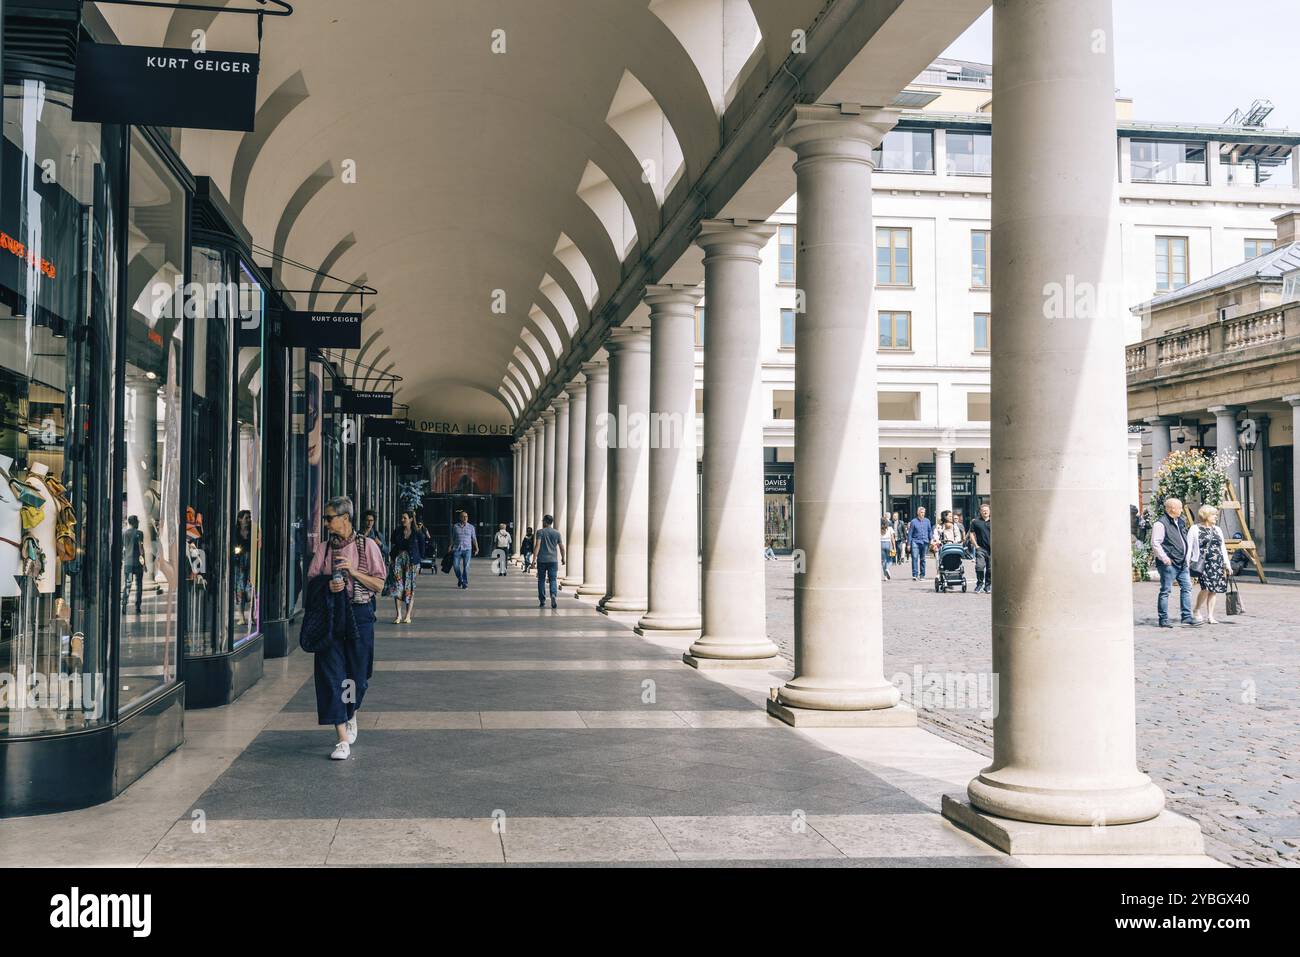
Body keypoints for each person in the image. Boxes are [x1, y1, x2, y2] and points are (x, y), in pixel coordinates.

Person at [308, 496, 386, 760]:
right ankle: (341, 737)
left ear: (345, 518)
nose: (327, 523)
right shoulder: (324, 550)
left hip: (360, 616)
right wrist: (328, 585)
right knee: (332, 676)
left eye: (330, 518)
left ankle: (350, 711)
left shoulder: (369, 546)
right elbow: (310, 584)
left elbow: (379, 585)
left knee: (357, 677)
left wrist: (353, 573)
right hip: (332, 620)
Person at [1151, 497, 1199, 629]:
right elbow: (1156, 543)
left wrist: (1187, 558)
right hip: (1169, 564)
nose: (1181, 510)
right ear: (1171, 508)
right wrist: (1165, 559)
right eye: (1179, 507)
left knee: (1187, 588)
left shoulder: (1180, 521)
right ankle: (1163, 619)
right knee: (1165, 590)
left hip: (1182, 563)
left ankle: (1187, 617)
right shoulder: (1160, 523)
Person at [1189, 504, 1231, 624]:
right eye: (1213, 515)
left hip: (1217, 563)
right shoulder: (1195, 529)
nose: (1215, 517)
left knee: (1214, 590)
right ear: (1206, 515)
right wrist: (1187, 564)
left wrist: (1227, 564)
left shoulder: (1217, 529)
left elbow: (1222, 547)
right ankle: (1196, 609)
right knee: (1206, 588)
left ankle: (1210, 616)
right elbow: (1189, 547)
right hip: (1204, 563)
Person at [385, 510, 423, 623]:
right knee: (397, 587)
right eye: (402, 518)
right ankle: (398, 615)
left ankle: (408, 615)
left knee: (409, 588)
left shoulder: (417, 533)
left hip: (411, 563)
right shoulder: (397, 531)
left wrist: (419, 565)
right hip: (398, 561)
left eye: (404, 518)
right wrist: (392, 560)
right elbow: (393, 544)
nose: (402, 520)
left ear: (411, 519)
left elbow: (421, 550)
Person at [533, 513, 566, 609]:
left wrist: (533, 560)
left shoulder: (540, 532)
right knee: (553, 579)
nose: (542, 522)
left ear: (546, 522)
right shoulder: (557, 533)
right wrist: (563, 558)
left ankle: (542, 600)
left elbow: (537, 546)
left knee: (541, 580)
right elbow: (561, 547)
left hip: (542, 560)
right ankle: (553, 595)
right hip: (553, 560)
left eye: (543, 521)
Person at [233, 509, 253, 626]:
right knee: (239, 590)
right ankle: (241, 616)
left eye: (249, 518)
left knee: (250, 589)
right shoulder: (235, 532)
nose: (248, 520)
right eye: (246, 518)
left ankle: (252, 616)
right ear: (240, 519)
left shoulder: (252, 532)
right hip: (239, 564)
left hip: (250, 562)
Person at [450, 509, 478, 589]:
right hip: (457, 548)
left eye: (466, 516)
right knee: (455, 566)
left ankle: (464, 582)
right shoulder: (455, 526)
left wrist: (477, 548)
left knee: (466, 566)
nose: (465, 518)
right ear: (460, 518)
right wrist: (450, 546)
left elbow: (474, 538)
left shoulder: (471, 527)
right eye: (463, 516)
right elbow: (453, 537)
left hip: (467, 549)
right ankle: (460, 579)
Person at [122, 515, 145, 612]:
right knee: (139, 584)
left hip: (128, 562)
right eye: (138, 522)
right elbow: (141, 549)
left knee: (127, 584)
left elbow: (123, 548)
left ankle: (124, 603)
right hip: (137, 563)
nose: (139, 523)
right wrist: (144, 563)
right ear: (135, 522)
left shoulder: (125, 533)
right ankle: (137, 606)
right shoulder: (139, 533)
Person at [968, 502, 992, 593]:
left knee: (990, 569)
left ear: (989, 511)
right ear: (980, 512)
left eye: (987, 511)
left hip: (991, 549)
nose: (985, 512)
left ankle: (988, 586)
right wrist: (976, 545)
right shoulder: (976, 522)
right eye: (983, 511)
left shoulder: (994, 521)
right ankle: (979, 584)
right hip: (981, 548)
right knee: (979, 567)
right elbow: (971, 534)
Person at [907, 506, 933, 581]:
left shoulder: (927, 521)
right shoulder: (913, 521)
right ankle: (915, 574)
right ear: (918, 513)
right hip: (915, 542)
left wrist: (931, 539)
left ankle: (922, 575)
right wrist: (908, 544)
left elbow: (929, 531)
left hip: (924, 542)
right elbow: (910, 534)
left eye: (924, 513)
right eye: (921, 512)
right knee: (914, 558)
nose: (923, 514)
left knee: (923, 559)